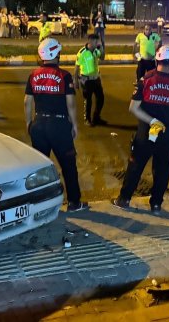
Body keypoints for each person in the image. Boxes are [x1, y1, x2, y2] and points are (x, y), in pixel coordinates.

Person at [111, 46, 169, 214]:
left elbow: (134, 108)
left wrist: (153, 121)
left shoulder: (147, 79)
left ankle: (124, 200)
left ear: (157, 60)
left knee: (135, 166)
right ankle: (156, 204)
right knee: (162, 169)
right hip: (166, 133)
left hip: (146, 132)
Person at [24, 38, 88, 212]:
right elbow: (71, 104)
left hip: (38, 124)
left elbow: (27, 102)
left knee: (40, 169)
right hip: (59, 126)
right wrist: (74, 124)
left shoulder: (33, 74)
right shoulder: (64, 76)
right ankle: (74, 203)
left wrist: (29, 123)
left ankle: (39, 205)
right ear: (56, 54)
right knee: (68, 166)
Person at [75, 34, 106, 126]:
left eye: (98, 41)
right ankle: (87, 119)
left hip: (96, 79)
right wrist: (76, 81)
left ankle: (96, 117)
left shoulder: (96, 50)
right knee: (88, 100)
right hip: (86, 80)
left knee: (100, 98)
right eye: (96, 41)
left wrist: (102, 48)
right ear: (90, 41)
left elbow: (102, 58)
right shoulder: (82, 52)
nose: (97, 43)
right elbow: (76, 67)